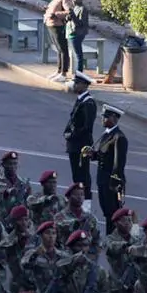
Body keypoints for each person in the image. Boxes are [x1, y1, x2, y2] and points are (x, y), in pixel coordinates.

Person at [85, 103, 128, 233]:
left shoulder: (119, 138)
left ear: (114, 118)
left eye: (106, 117)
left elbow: (118, 163)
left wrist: (114, 182)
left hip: (111, 182)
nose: (102, 119)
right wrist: (92, 154)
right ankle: (110, 235)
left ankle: (113, 237)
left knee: (113, 213)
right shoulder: (106, 135)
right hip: (102, 179)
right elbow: (104, 155)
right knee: (106, 211)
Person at [64, 72, 97, 209]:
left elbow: (87, 127)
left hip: (81, 146)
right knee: (76, 175)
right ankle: (78, 201)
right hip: (75, 145)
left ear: (84, 85)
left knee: (82, 175)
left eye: (77, 83)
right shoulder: (81, 100)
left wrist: (72, 135)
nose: (75, 85)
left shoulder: (88, 103)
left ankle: (86, 203)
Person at [43, 0, 72, 81]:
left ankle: (64, 73)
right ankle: (59, 70)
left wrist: (55, 14)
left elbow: (69, 12)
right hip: (52, 25)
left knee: (63, 49)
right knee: (59, 50)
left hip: (58, 26)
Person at [66, 0, 91, 74]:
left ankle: (79, 72)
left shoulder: (83, 9)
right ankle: (78, 72)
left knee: (78, 55)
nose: (73, 0)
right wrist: (68, 17)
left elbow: (81, 23)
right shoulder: (75, 7)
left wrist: (72, 15)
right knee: (74, 53)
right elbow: (70, 20)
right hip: (71, 32)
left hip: (78, 33)